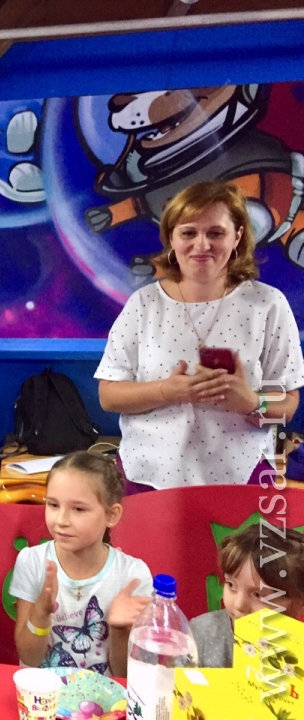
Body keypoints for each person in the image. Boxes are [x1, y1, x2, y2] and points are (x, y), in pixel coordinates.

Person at [96, 180, 304, 491]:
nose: (202, 244)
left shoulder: (268, 305)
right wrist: (168, 391)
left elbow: (286, 406)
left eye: (216, 233)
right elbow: (108, 396)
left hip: (240, 476)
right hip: (146, 477)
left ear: (237, 236)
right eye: (189, 233)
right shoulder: (143, 304)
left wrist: (251, 403)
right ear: (172, 238)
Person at [10, 452, 152, 677]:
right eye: (53, 505)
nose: (61, 520)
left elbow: (124, 675)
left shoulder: (133, 575)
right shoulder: (32, 562)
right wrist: (41, 612)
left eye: (78, 509)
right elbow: (29, 658)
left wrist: (119, 630)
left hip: (104, 696)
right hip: (45, 693)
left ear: (111, 515)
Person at [191, 524, 304, 668]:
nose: (239, 605)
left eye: (258, 595)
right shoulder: (202, 632)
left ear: (300, 602)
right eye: (231, 585)